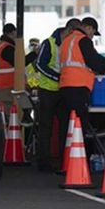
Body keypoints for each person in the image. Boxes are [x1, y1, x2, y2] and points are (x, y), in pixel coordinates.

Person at [59, 17, 105, 153]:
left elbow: (94, 56)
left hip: (65, 86)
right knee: (80, 126)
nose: (92, 37)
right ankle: (78, 159)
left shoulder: (67, 40)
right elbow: (93, 61)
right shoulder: (83, 40)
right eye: (93, 33)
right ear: (88, 28)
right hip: (79, 87)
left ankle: (65, 159)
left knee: (67, 126)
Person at [35, 18, 81, 172]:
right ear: (69, 31)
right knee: (45, 127)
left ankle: (64, 160)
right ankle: (44, 162)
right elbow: (40, 64)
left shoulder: (72, 44)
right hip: (48, 90)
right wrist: (56, 77)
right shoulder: (49, 43)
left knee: (65, 127)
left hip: (64, 90)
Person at [0, 23, 37, 112]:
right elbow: (20, 63)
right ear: (12, 33)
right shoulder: (7, 48)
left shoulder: (0, 47)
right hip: (6, 88)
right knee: (11, 114)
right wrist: (34, 53)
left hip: (1, 86)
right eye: (16, 33)